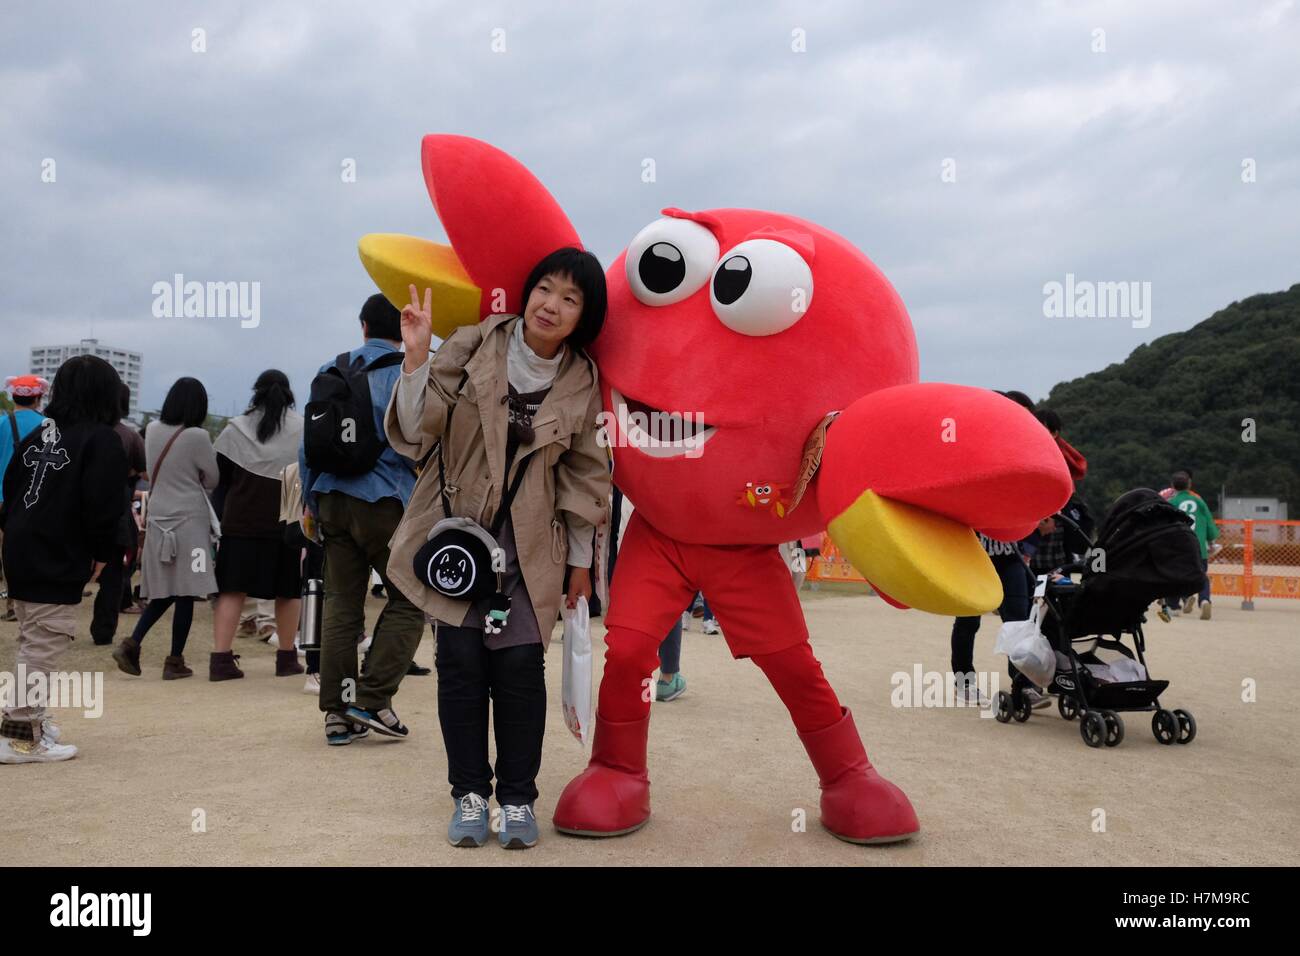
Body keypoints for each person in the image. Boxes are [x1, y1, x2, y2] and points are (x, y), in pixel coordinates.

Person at [384, 247, 611, 850]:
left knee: (519, 669)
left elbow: (585, 477)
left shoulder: (582, 380)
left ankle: (516, 799)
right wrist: (416, 358)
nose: (551, 305)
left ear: (583, 317)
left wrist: (581, 565)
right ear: (527, 291)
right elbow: (418, 430)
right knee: (460, 665)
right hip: (459, 536)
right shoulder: (473, 344)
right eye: (545, 288)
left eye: (570, 299)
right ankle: (468, 794)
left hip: (531, 546)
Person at [300, 294, 425, 746]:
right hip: (387, 501)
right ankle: (371, 699)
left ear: (363, 326)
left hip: (332, 498)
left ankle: (338, 712)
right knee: (411, 598)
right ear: (404, 331)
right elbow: (420, 443)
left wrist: (310, 502)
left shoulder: (330, 370)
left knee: (342, 605)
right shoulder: (406, 372)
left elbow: (308, 446)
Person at [0, 357, 126, 762]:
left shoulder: (40, 433)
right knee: (44, 641)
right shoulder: (102, 439)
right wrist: (104, 553)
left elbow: (10, 486)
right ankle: (21, 735)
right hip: (57, 549)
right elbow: (104, 506)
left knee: (33, 637)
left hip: (21, 544)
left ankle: (29, 719)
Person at [112, 378, 219, 680]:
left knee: (167, 589)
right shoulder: (198, 435)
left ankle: (134, 644)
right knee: (188, 589)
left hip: (159, 519)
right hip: (191, 523)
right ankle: (173, 660)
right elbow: (212, 478)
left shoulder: (153, 430)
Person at [210, 370, 306, 678]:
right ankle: (286, 659)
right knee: (288, 593)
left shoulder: (235, 429)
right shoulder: (302, 429)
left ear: (256, 392)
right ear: (288, 394)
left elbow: (220, 481)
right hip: (286, 523)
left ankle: (220, 661)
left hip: (240, 523)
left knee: (231, 591)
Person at [90, 382, 147, 645]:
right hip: (117, 509)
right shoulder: (130, 436)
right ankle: (103, 631)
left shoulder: (83, 431)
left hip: (81, 507)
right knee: (113, 575)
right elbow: (143, 471)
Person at [0, 375, 49, 622]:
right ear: (38, 398)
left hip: (1, 495)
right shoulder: (48, 425)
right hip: (34, 496)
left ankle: (9, 600)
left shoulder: (2, 423)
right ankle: (19, 602)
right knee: (24, 551)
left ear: (13, 396)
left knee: (3, 551)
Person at [1165, 471, 1218, 620]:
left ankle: (1174, 606)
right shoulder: (1199, 502)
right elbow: (1209, 524)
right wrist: (1211, 542)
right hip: (1198, 547)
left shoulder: (1171, 503)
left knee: (1174, 576)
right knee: (1201, 575)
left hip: (1178, 548)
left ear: (1172, 486)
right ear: (1189, 484)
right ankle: (1204, 600)